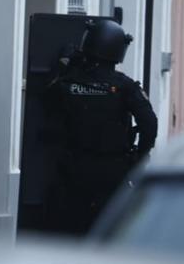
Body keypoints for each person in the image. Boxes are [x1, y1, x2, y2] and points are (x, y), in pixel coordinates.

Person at [49, 18, 157, 235]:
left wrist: (65, 65)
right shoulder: (124, 86)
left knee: (70, 228)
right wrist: (141, 154)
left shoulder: (67, 81)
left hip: (74, 166)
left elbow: (48, 103)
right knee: (110, 227)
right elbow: (148, 122)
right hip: (113, 167)